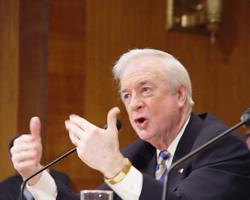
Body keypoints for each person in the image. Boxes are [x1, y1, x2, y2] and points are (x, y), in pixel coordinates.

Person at [10, 48, 250, 200]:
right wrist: (36, 177)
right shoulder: (139, 153)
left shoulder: (222, 147)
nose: (134, 104)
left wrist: (115, 168)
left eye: (145, 90)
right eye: (126, 95)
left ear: (179, 95)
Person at [0, 135, 71, 200]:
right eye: (21, 153)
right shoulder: (5, 188)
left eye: (28, 150)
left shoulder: (61, 178)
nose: (26, 156)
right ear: (12, 160)